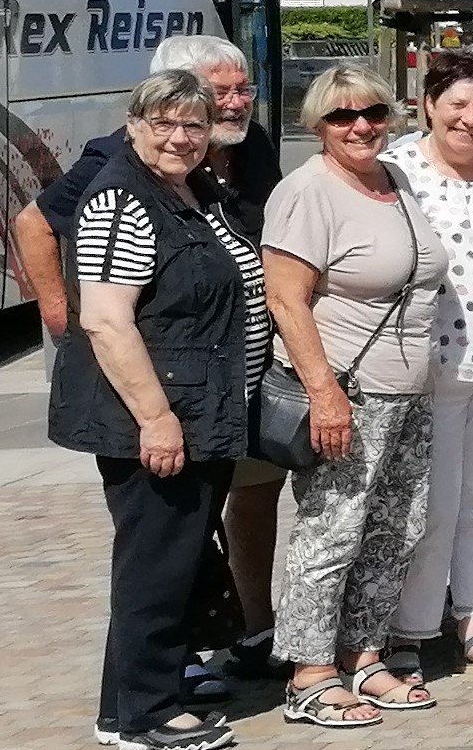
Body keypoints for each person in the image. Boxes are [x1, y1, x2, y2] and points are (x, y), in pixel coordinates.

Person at [19, 34, 286, 689]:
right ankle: (159, 681)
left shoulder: (247, 148)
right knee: (164, 542)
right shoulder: (121, 164)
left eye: (241, 88)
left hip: (229, 383)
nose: (234, 102)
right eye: (218, 92)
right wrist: (63, 312)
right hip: (165, 390)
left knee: (229, 513)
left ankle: (245, 634)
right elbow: (35, 223)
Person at [56, 71, 265, 750]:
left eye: (194, 125)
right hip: (157, 412)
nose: (181, 137)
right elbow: (108, 320)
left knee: (166, 559)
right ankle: (147, 711)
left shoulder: (191, 188)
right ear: (133, 123)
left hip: (200, 405)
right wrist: (156, 417)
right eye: (164, 123)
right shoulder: (123, 197)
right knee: (157, 562)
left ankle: (129, 706)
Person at [263, 64, 449, 728]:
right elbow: (285, 297)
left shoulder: (392, 179)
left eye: (371, 112)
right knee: (331, 531)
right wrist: (324, 394)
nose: (361, 126)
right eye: (342, 117)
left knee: (395, 530)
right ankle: (310, 673)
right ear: (317, 126)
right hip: (350, 390)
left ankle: (364, 657)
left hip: (410, 392)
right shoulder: (307, 192)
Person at [379, 51, 473, 681]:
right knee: (432, 504)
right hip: (427, 365)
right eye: (457, 105)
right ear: (428, 106)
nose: (470, 120)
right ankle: (410, 628)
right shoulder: (397, 173)